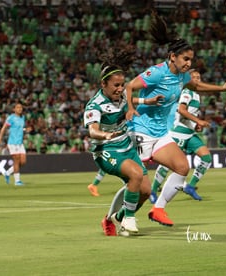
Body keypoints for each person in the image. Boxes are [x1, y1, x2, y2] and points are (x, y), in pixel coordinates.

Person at [123, 11, 226, 227]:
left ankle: (158, 210)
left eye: (191, 59)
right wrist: (130, 107)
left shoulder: (182, 76)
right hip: (140, 132)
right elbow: (129, 86)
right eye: (186, 59)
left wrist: (222, 88)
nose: (188, 63)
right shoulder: (156, 73)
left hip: (160, 134)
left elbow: (198, 85)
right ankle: (117, 217)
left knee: (182, 167)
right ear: (172, 57)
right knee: (141, 187)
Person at [83, 46, 161, 237]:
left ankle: (115, 217)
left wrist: (148, 102)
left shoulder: (121, 97)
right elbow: (92, 130)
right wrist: (104, 135)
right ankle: (128, 223)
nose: (120, 89)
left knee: (145, 190)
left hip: (127, 147)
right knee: (135, 174)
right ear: (103, 84)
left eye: (122, 85)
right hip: (106, 150)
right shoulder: (95, 105)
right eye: (116, 85)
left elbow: (130, 100)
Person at [150, 70, 213, 203]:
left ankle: (190, 186)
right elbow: (181, 110)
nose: (196, 80)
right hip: (178, 134)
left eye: (198, 77)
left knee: (206, 157)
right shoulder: (187, 92)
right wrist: (198, 121)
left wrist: (196, 125)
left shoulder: (196, 95)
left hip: (190, 134)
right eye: (193, 77)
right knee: (167, 165)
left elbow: (187, 115)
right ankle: (153, 191)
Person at [0, 102, 29, 186]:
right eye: (18, 107)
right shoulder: (11, 118)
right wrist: (0, 137)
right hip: (12, 143)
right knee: (16, 160)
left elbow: (20, 128)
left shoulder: (23, 117)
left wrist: (25, 130)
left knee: (23, 161)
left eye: (21, 107)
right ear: (14, 109)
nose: (20, 109)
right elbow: (4, 127)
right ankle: (17, 181)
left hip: (20, 143)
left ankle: (8, 173)